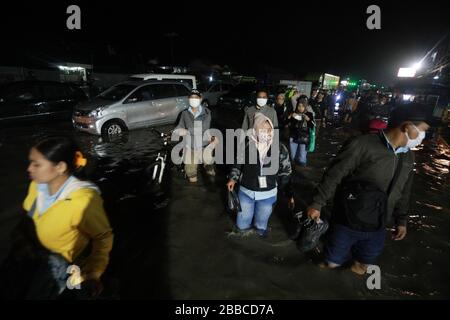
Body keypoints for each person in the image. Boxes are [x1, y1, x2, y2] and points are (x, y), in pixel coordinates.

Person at [306, 120, 430, 274]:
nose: (423, 136)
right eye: (422, 130)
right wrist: (317, 203)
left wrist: (401, 220)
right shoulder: (362, 144)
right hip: (347, 219)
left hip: (379, 224)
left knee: (362, 267)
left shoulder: (409, 157)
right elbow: (334, 174)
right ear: (407, 126)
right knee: (331, 263)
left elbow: (404, 190)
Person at [22, 136, 113, 298]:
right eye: (31, 162)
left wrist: (92, 273)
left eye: (37, 164)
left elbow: (103, 237)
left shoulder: (83, 201)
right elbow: (30, 216)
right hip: (34, 260)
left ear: (60, 167)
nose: (29, 168)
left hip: (66, 269)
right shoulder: (36, 185)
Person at [227, 113, 295, 237]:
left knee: (261, 227)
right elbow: (238, 164)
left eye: (269, 130)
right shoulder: (246, 145)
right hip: (246, 193)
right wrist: (233, 178)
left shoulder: (280, 148)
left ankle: (259, 238)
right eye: (262, 129)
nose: (267, 133)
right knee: (241, 226)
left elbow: (286, 173)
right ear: (255, 130)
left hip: (268, 196)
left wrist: (289, 194)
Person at [175, 89, 217, 183]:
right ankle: (194, 193)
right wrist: (176, 131)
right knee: (191, 173)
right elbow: (179, 126)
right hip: (190, 147)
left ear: (200, 99)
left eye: (196, 97)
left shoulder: (207, 112)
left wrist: (186, 131)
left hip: (204, 146)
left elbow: (203, 128)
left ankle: (211, 188)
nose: (193, 99)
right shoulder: (184, 113)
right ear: (188, 98)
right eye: (191, 97)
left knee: (210, 170)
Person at [288, 96, 315, 167]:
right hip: (293, 137)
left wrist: (308, 120)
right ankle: (293, 169)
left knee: (302, 157)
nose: (300, 108)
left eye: (303, 106)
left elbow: (312, 126)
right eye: (299, 106)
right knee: (292, 156)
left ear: (305, 106)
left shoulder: (309, 114)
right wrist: (289, 117)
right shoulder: (293, 113)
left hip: (304, 138)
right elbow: (287, 124)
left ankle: (302, 170)